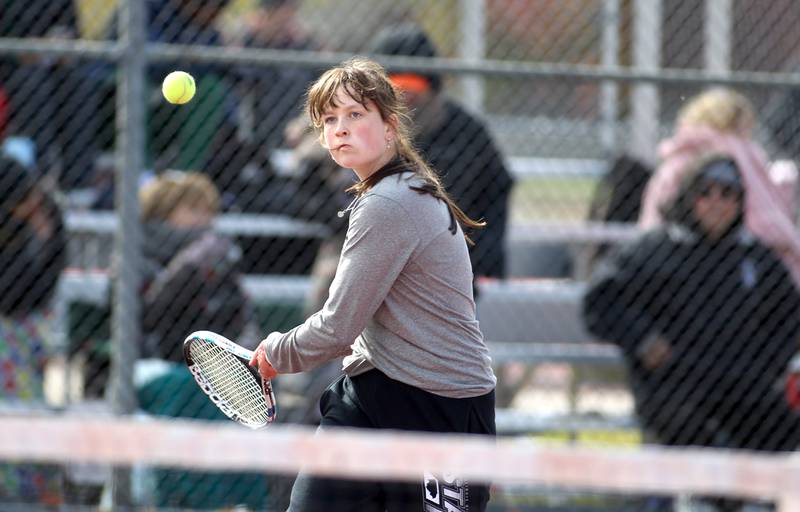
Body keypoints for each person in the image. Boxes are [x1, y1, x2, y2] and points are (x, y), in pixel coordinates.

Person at [249, 57, 497, 511]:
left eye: (355, 115)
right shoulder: (383, 194)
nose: (340, 128)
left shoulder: (391, 201)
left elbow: (337, 327)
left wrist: (273, 354)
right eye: (329, 119)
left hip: (441, 406)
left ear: (389, 128)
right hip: (371, 391)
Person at [583, 154, 800, 510]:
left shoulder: (753, 257)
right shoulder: (656, 250)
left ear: (740, 202)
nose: (717, 203)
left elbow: (790, 319)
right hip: (674, 388)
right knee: (706, 451)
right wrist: (642, 341)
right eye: (706, 192)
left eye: (728, 194)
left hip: (742, 387)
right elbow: (599, 302)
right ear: (689, 196)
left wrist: (769, 364)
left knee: (784, 433)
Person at [368, 22, 514, 282]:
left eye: (413, 90)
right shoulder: (362, 129)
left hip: (455, 257)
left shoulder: (466, 133)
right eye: (395, 91)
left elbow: (488, 197)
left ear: (434, 90)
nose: (405, 102)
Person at [639, 87, 800, 284]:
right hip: (731, 261)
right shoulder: (735, 153)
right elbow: (763, 218)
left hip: (669, 257)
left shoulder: (676, 156)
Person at [0, 155, 66, 504]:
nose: (32, 207)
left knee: (30, 407)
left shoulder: (42, 220)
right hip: (7, 329)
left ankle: (28, 491)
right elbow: (10, 296)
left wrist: (48, 238)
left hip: (24, 331)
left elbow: (40, 291)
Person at [138, 171, 253, 362]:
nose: (204, 219)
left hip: (214, 363)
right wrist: (188, 265)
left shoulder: (214, 255)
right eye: (193, 210)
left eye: (209, 211)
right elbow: (149, 317)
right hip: (154, 359)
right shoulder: (137, 252)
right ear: (163, 210)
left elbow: (242, 315)